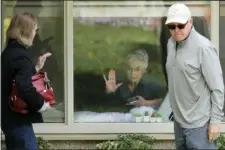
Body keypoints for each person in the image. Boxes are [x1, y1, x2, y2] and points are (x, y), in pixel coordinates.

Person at [165, 3, 224, 149]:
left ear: (190, 22)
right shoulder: (171, 43)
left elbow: (217, 88)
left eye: (181, 25)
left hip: (200, 126)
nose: (176, 30)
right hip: (179, 123)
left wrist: (216, 122)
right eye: (172, 26)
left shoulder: (204, 48)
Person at [1, 12, 52, 150]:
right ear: (26, 31)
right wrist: (41, 104)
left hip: (10, 120)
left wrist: (35, 68)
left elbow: (14, 80)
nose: (35, 34)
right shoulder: (20, 56)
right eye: (35, 30)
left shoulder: (10, 52)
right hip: (18, 121)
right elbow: (23, 86)